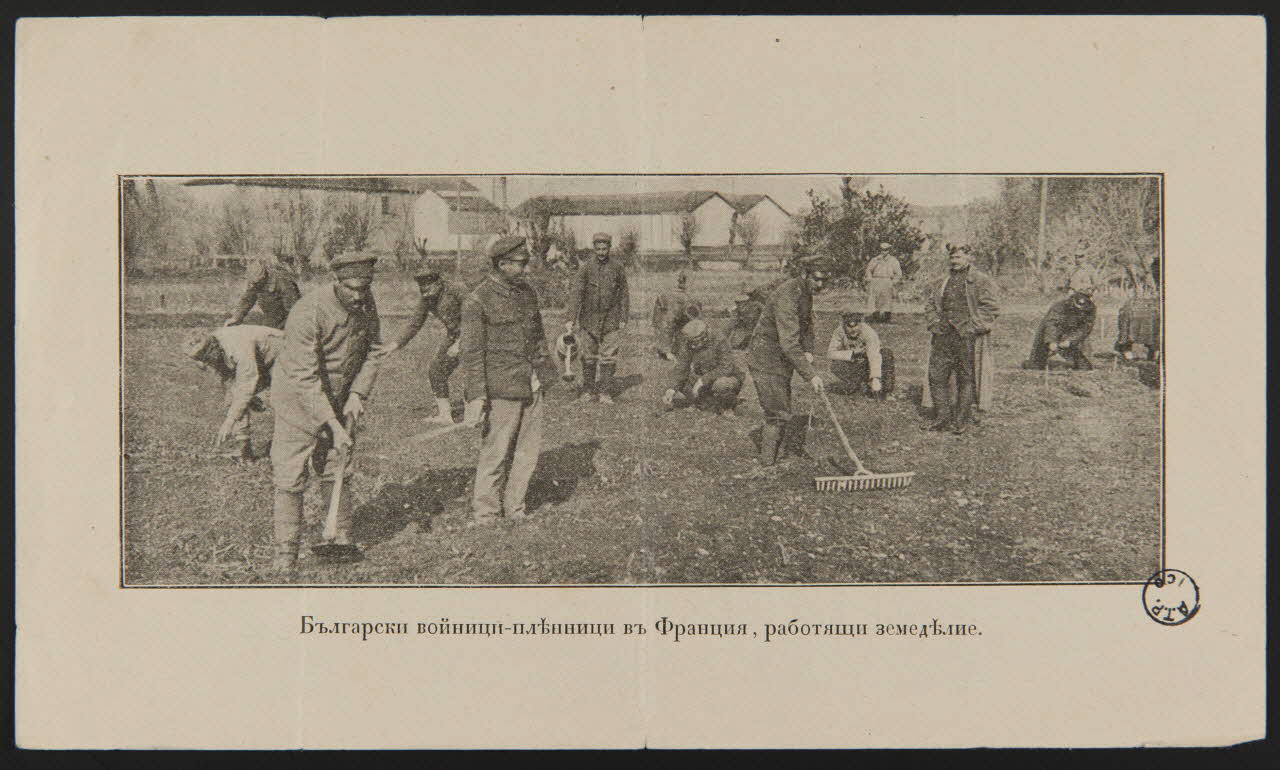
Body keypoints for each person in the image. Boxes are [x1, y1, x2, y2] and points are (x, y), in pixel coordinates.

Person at [268, 252, 384, 572]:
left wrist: (358, 393)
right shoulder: (308, 312)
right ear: (336, 281)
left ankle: (339, 538)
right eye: (352, 289)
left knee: (338, 469)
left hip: (341, 398)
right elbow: (304, 377)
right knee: (291, 476)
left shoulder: (365, 302)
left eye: (365, 287)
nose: (360, 295)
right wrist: (333, 424)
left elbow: (373, 350)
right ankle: (285, 553)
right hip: (297, 402)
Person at [460, 236, 558, 524]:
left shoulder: (526, 293)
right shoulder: (477, 300)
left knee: (527, 453)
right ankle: (486, 513)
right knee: (496, 453)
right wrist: (477, 395)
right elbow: (472, 353)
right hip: (501, 387)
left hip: (532, 383)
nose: (525, 269)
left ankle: (515, 508)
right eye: (520, 263)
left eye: (526, 262)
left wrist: (544, 375)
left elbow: (537, 336)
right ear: (501, 264)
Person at [745, 253, 832, 469]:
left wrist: (809, 350)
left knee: (782, 408)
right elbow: (789, 343)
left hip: (780, 359)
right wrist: (810, 375)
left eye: (825, 280)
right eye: (817, 279)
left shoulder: (805, 291)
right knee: (777, 412)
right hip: (765, 358)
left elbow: (808, 324)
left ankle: (777, 455)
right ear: (805, 274)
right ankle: (766, 466)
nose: (820, 285)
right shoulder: (787, 296)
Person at [921, 244, 1000, 435]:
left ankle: (960, 421)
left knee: (966, 378)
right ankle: (942, 417)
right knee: (936, 376)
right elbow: (930, 304)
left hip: (967, 337)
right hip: (943, 336)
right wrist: (934, 323)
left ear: (969, 258)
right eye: (952, 257)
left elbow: (991, 308)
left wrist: (972, 327)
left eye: (959, 257)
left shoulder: (981, 281)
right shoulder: (942, 281)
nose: (955, 261)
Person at [183, 324, 284, 462]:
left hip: (281, 350)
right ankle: (245, 451)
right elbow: (231, 389)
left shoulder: (238, 347)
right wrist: (239, 405)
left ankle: (299, 445)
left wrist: (230, 420)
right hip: (260, 359)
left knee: (283, 398)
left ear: (213, 349)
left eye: (206, 359)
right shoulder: (216, 350)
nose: (206, 365)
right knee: (235, 398)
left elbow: (246, 385)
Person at [384, 268, 464, 425]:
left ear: (439, 283)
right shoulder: (428, 297)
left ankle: (484, 411)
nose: (426, 294)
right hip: (454, 335)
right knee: (436, 369)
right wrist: (395, 344)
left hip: (478, 334)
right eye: (423, 290)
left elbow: (476, 317)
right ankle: (445, 415)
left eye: (429, 289)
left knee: (476, 373)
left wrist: (462, 342)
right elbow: (415, 323)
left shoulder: (457, 290)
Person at [566, 232, 630, 404]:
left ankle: (605, 393)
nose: (602, 252)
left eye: (605, 248)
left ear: (609, 248)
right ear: (594, 249)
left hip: (611, 319)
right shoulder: (586, 268)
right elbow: (576, 293)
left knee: (608, 356)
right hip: (588, 319)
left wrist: (624, 316)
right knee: (588, 355)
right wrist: (571, 318)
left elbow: (624, 293)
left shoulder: (617, 267)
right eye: (598, 249)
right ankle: (587, 391)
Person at [662, 319, 745, 413]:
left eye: (696, 342)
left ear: (705, 337)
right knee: (683, 382)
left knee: (721, 385)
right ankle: (707, 403)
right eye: (691, 343)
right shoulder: (687, 344)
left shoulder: (719, 340)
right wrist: (671, 389)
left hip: (728, 376)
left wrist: (703, 380)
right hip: (702, 377)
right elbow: (682, 367)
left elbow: (726, 367)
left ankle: (728, 406)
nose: (693, 346)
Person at [827, 309, 895, 399]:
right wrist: (852, 354)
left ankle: (886, 391)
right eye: (849, 326)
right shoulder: (839, 332)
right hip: (852, 364)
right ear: (844, 324)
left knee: (886, 353)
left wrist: (875, 377)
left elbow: (874, 356)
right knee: (836, 365)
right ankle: (859, 386)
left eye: (856, 325)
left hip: (867, 363)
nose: (853, 329)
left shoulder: (869, 333)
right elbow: (830, 353)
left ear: (861, 323)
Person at [224, 252, 302, 330]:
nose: (256, 284)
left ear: (264, 275)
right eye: (254, 282)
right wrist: (236, 317)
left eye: (258, 282)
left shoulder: (282, 281)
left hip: (287, 319)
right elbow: (248, 299)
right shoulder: (256, 283)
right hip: (270, 318)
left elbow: (293, 309)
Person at [1024, 289, 1097, 371]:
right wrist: (1052, 341)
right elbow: (1052, 324)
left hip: (1073, 333)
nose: (1080, 306)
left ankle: (1076, 363)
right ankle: (1033, 363)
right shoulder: (1060, 306)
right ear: (1074, 298)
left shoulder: (1091, 308)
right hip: (1053, 330)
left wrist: (1070, 340)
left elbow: (1085, 328)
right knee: (1035, 366)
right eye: (1078, 303)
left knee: (1084, 367)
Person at [651, 270, 702, 360]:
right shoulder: (670, 302)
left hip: (680, 313)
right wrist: (666, 351)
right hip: (665, 313)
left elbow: (696, 324)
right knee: (666, 324)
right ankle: (663, 349)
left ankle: (674, 348)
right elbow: (665, 325)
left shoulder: (694, 301)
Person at [865, 242, 903, 322]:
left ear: (889, 250)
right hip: (876, 280)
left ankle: (886, 318)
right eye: (882, 250)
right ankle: (875, 317)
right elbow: (869, 270)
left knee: (887, 300)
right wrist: (869, 278)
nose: (884, 252)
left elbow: (898, 273)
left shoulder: (893, 260)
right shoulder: (875, 259)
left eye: (886, 250)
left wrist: (894, 282)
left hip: (887, 281)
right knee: (875, 299)